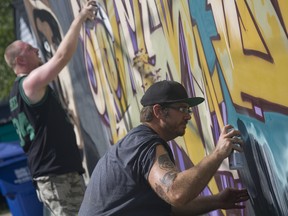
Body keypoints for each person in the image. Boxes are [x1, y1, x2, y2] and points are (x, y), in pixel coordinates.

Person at [79, 80, 250, 216]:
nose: (188, 116)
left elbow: (169, 207)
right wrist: (218, 153)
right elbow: (176, 192)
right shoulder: (144, 145)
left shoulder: (136, 143)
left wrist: (217, 201)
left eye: (188, 109)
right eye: (182, 109)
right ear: (158, 111)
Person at [4, 1, 98, 215]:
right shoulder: (28, 84)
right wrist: (80, 18)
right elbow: (61, 57)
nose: (36, 48)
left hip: (60, 171)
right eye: (30, 49)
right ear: (20, 59)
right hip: (55, 176)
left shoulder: (16, 93)